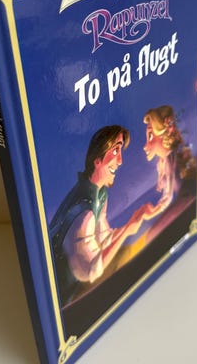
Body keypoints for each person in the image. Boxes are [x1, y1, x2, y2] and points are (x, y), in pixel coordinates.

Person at [50, 125, 152, 304]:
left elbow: (103, 237)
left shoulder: (100, 194)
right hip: (65, 296)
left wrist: (129, 224)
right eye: (115, 151)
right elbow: (91, 269)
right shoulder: (84, 212)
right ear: (97, 160)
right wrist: (126, 231)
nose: (120, 161)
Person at [142, 105, 197, 219]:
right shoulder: (161, 163)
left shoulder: (170, 158)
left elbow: (168, 196)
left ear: (163, 135)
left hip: (190, 198)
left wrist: (152, 214)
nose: (145, 146)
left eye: (150, 136)